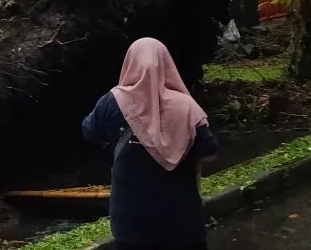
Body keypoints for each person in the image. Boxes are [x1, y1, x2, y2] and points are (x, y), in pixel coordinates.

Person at [82, 37, 219, 250]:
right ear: (167, 64)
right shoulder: (186, 106)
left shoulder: (111, 102)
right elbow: (210, 152)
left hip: (130, 221)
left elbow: (89, 131)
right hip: (182, 221)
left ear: (129, 64)